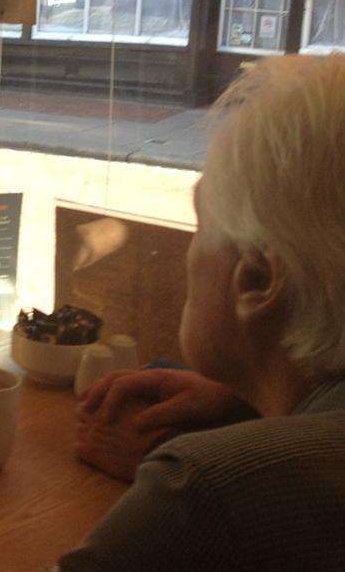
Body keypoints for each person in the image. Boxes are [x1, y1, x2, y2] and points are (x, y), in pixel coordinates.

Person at [57, 53, 345, 572]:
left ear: (255, 279)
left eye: (201, 226)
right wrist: (251, 404)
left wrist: (212, 468)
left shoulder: (208, 490)